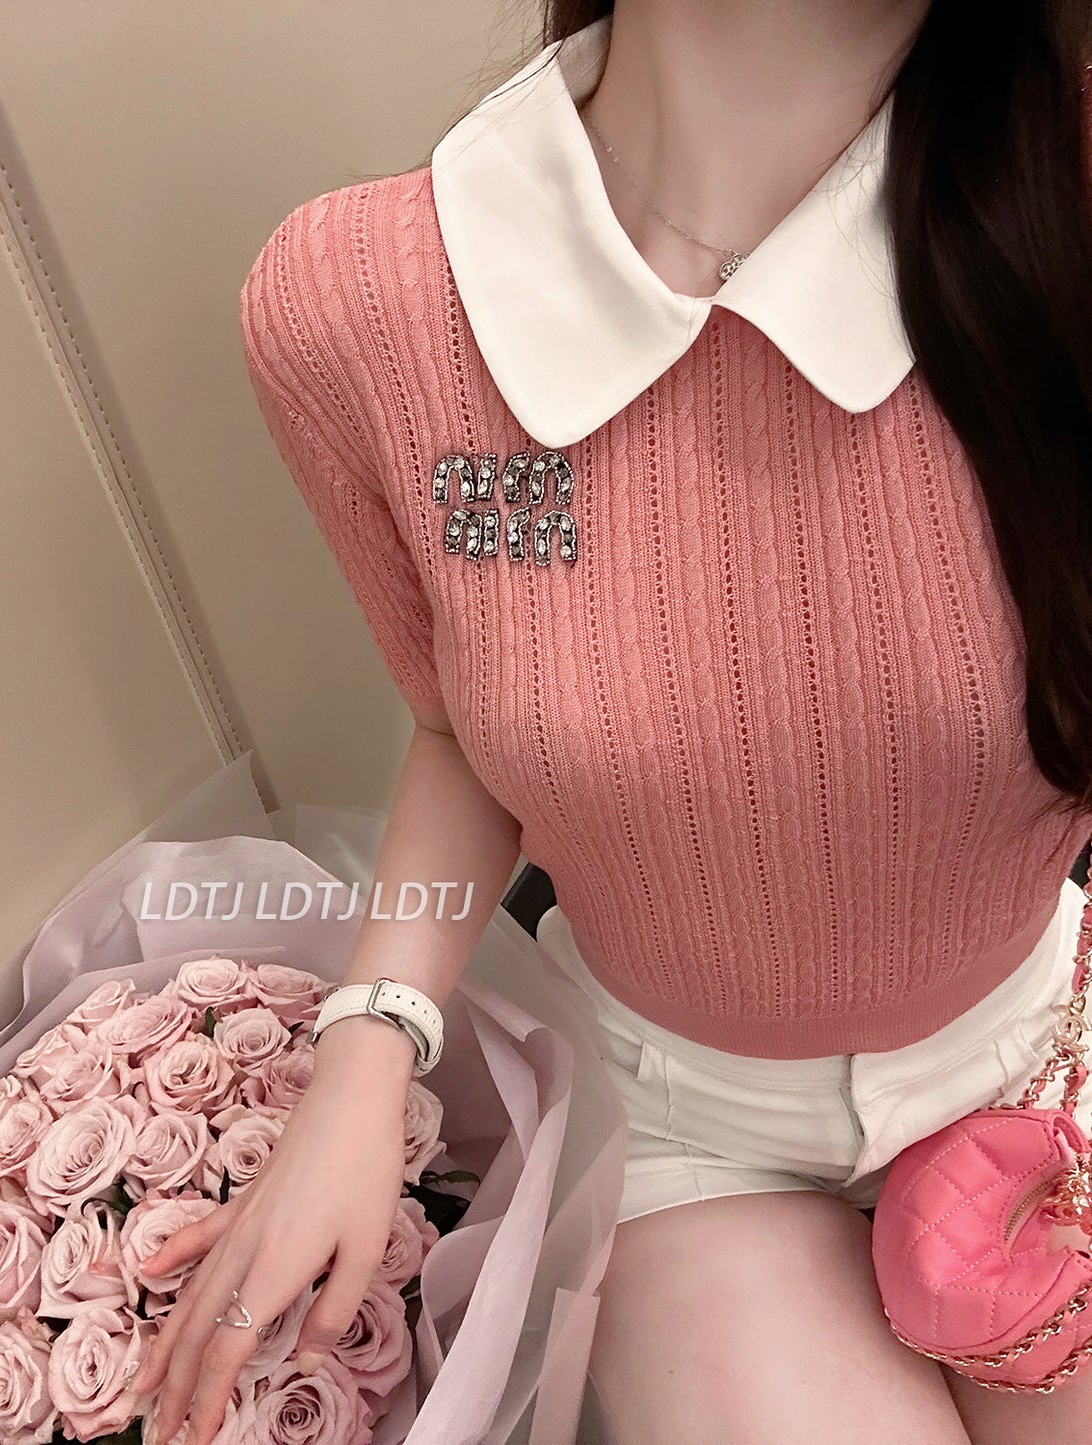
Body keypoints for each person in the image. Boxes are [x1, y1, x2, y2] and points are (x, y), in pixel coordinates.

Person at [127, 3, 1092, 1441]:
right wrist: (366, 1049)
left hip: (1046, 1043)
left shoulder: (1067, 204)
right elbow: (461, 732)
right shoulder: (367, 310)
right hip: (684, 1125)